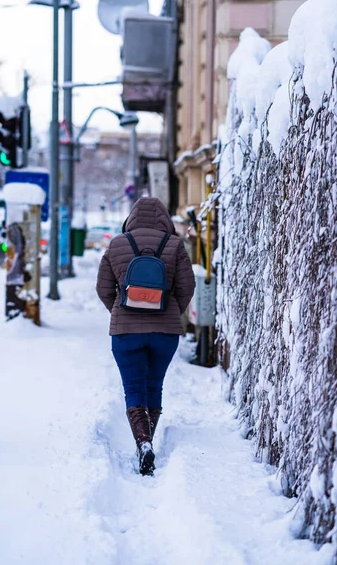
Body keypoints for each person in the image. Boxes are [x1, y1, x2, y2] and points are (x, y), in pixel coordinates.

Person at [96, 197, 195, 475]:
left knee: (133, 388)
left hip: (125, 332)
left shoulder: (117, 244)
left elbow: (103, 288)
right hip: (165, 332)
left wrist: (119, 310)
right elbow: (187, 287)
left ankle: (143, 442)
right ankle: (147, 440)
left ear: (131, 218)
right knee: (154, 384)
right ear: (164, 219)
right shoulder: (174, 245)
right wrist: (171, 310)